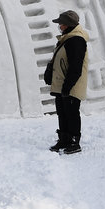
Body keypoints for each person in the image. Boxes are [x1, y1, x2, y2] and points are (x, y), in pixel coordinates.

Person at [44, 10, 88, 154]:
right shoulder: (67, 39)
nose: (59, 26)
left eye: (61, 23)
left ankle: (74, 142)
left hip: (70, 86)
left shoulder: (76, 40)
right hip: (62, 84)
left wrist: (68, 86)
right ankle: (64, 139)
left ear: (68, 25)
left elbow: (76, 67)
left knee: (72, 113)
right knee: (62, 113)